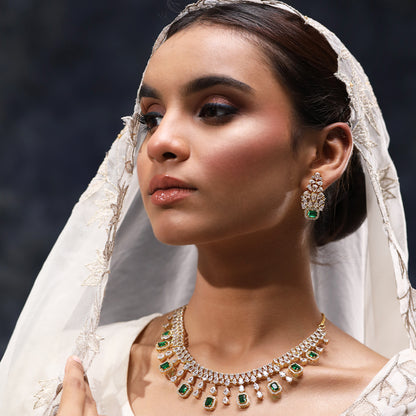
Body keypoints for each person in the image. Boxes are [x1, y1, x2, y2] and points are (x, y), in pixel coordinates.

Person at [1, 1, 415, 415]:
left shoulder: (396, 402)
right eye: (151, 118)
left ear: (325, 154)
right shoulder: (65, 375)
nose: (161, 142)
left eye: (214, 110)